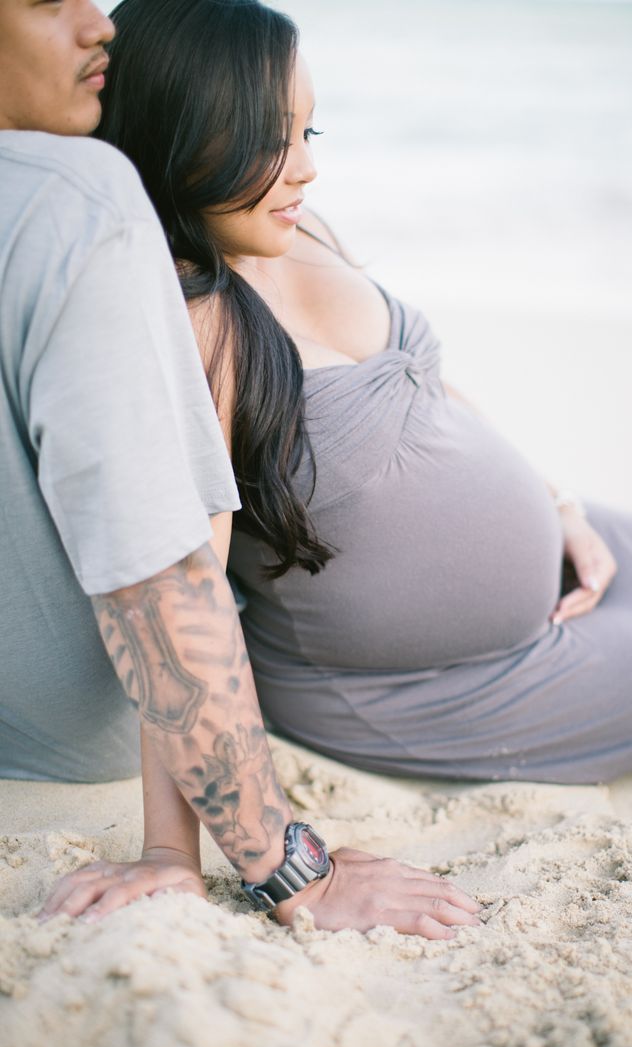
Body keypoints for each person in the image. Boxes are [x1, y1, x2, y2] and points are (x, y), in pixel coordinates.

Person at [89, 0, 632, 809]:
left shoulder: (298, 228)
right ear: (178, 133)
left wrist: (556, 500)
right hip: (432, 687)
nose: (305, 168)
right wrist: (174, 853)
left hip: (556, 558)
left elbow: (425, 391)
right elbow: (186, 609)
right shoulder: (197, 331)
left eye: (308, 133)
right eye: (268, 138)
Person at [1, 0, 481, 941]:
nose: (97, 22)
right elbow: (160, 564)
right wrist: (283, 870)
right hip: (89, 727)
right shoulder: (73, 195)